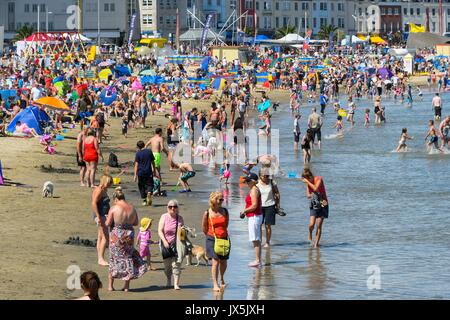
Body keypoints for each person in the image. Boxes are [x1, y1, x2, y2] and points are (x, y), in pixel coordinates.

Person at [106, 188, 147, 291]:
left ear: (116, 199)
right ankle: (126, 287)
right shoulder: (132, 208)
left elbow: (107, 223)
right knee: (128, 258)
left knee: (114, 258)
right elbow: (136, 223)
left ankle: (110, 286)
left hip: (117, 235)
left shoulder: (114, 208)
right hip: (129, 235)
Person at [202, 191, 230, 292]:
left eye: (223, 199)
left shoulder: (225, 211)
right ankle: (215, 284)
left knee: (224, 262)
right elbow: (204, 228)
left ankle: (222, 278)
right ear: (214, 200)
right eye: (220, 199)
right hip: (211, 238)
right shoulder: (207, 213)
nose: (222, 201)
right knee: (215, 261)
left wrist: (222, 234)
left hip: (224, 238)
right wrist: (211, 236)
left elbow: (226, 224)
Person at [158, 199, 185, 290]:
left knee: (176, 264)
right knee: (167, 266)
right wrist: (165, 241)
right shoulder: (164, 217)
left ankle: (176, 284)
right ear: (167, 208)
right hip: (165, 244)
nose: (172, 208)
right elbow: (160, 231)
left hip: (177, 244)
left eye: (175, 206)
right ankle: (168, 280)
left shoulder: (180, 218)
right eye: (170, 207)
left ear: (177, 208)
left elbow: (182, 233)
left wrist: (184, 231)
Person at [300, 167, 329, 248]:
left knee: (319, 225)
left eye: (309, 180)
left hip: (323, 203)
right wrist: (313, 194)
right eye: (307, 181)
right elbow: (308, 195)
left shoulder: (319, 179)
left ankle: (316, 244)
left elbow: (316, 188)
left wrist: (307, 182)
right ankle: (310, 232)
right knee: (311, 225)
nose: (308, 182)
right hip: (314, 204)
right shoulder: (308, 183)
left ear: (311, 177)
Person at [240, 173, 263, 268]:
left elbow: (254, 205)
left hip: (254, 216)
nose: (247, 183)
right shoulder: (254, 189)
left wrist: (244, 211)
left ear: (254, 181)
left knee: (255, 239)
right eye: (246, 181)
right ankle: (258, 260)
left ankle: (258, 261)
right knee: (256, 239)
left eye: (248, 181)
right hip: (255, 216)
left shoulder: (254, 190)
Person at [91, 175, 113, 266]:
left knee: (100, 236)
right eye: (109, 183)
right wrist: (98, 216)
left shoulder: (103, 189)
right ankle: (101, 258)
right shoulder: (99, 190)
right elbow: (93, 203)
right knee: (105, 236)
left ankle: (100, 257)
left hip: (103, 214)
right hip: (101, 215)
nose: (110, 185)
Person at [257, 169, 280, 248]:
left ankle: (267, 242)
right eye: (265, 176)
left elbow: (277, 193)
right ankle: (259, 241)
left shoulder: (272, 182)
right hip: (259, 206)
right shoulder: (257, 183)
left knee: (268, 226)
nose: (266, 177)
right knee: (259, 225)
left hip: (270, 205)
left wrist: (278, 205)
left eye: (267, 175)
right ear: (260, 176)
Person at [134, 140, 157, 206]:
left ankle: (144, 199)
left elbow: (136, 165)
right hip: (148, 171)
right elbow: (153, 162)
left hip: (140, 172)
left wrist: (135, 175)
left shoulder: (138, 153)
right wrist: (154, 170)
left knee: (141, 186)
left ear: (138, 147)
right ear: (144, 145)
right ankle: (149, 192)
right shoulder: (149, 151)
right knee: (150, 184)